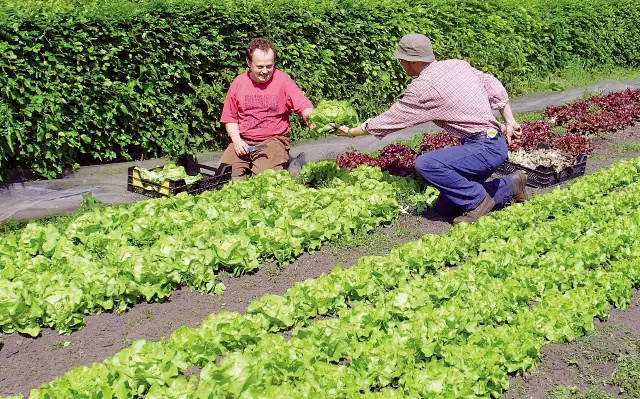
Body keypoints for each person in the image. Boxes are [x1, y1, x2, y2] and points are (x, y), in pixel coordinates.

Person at [333, 33, 528, 224]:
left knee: (427, 164)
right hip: (490, 144)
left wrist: (350, 132)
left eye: (401, 60)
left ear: (412, 61)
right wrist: (509, 120)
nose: (400, 64)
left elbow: (389, 120)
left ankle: (478, 201)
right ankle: (512, 184)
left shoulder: (422, 89)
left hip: (484, 148)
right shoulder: (458, 65)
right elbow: (492, 83)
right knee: (445, 208)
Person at [220, 38, 314, 178]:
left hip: (273, 141)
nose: (265, 71)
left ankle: (291, 162)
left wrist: (310, 117)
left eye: (269, 66)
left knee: (263, 179)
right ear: (249, 62)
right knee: (222, 176)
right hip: (244, 141)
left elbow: (302, 104)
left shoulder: (283, 81)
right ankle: (269, 162)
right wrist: (237, 141)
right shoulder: (238, 83)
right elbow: (230, 118)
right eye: (260, 67)